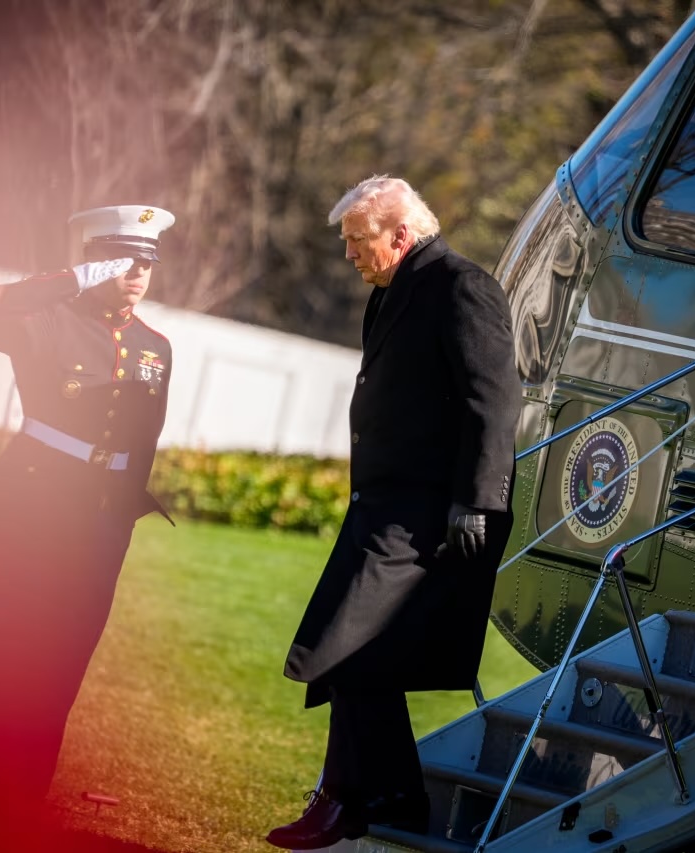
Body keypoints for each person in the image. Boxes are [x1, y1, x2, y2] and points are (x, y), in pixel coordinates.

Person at [266, 176, 522, 850]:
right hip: (382, 512)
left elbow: (493, 400)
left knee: (345, 646)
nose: (350, 255)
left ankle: (357, 798)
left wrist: (480, 500)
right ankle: (378, 798)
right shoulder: (394, 293)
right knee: (357, 657)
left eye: (358, 241)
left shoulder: (461, 285)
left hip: (428, 519)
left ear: (400, 234)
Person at [0, 204, 177, 806]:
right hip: (33, 509)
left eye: (146, 262)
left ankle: (23, 800)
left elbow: (143, 444)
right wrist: (72, 278)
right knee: (5, 651)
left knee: (62, 666)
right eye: (123, 260)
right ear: (96, 261)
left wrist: (118, 528)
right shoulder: (47, 320)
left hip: (100, 526)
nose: (136, 272)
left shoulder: (154, 345)